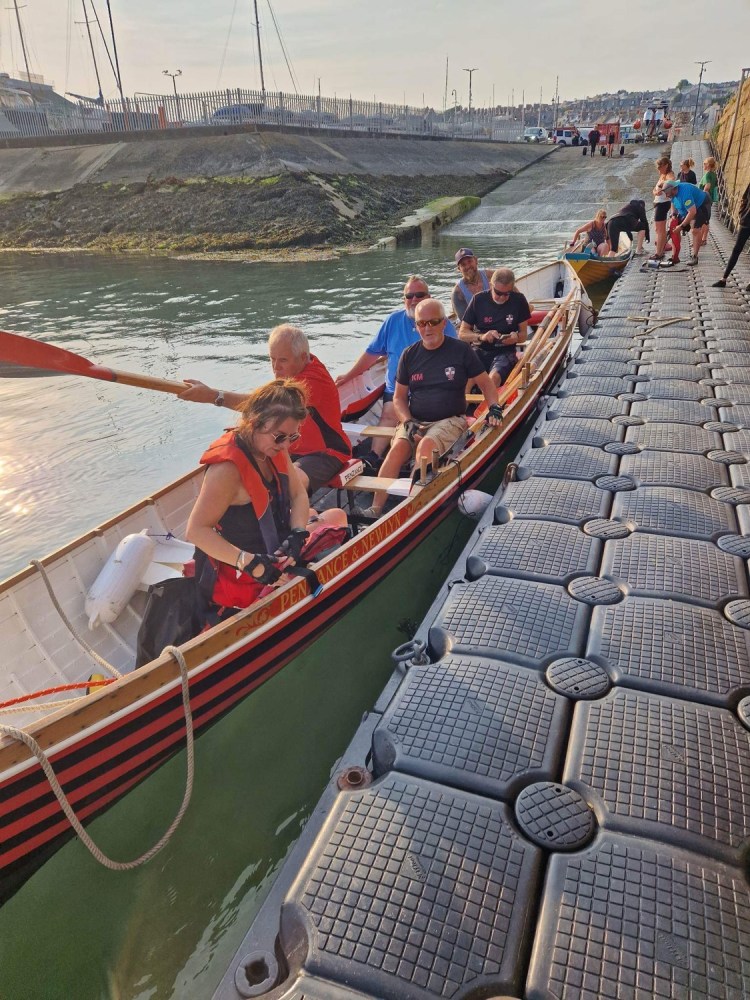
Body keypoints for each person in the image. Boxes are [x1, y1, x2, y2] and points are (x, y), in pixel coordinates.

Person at [186, 380, 346, 622]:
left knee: (337, 515)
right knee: (332, 523)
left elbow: (298, 495)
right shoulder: (227, 470)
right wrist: (249, 563)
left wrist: (298, 532)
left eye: (293, 436)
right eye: (280, 437)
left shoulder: (272, 448)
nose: (286, 445)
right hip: (248, 567)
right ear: (254, 422)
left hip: (277, 551)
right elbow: (196, 530)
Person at [357, 298, 502, 519]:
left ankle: (411, 510)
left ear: (444, 323)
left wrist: (494, 408)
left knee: (425, 447)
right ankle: (375, 509)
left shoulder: (461, 350)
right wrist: (407, 421)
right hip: (415, 420)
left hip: (450, 420)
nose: (427, 328)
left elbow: (486, 383)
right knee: (397, 449)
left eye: (433, 322)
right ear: (416, 327)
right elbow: (398, 398)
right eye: (422, 323)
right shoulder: (409, 355)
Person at [179, 325, 351, 493]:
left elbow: (263, 404)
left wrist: (213, 396)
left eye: (283, 360)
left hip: (326, 453)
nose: (276, 367)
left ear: (303, 357)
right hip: (288, 448)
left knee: (288, 486)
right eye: (272, 359)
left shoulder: (311, 382)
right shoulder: (295, 368)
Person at [335, 276, 457, 454]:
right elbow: (371, 354)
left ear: (429, 297)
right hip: (396, 389)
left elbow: (455, 359)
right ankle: (374, 456)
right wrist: (349, 375)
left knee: (426, 424)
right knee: (388, 415)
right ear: (404, 299)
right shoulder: (393, 321)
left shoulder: (441, 323)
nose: (414, 300)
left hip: (428, 389)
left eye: (419, 295)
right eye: (409, 296)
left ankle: (416, 450)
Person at [459, 267, 531, 387]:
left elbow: (523, 335)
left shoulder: (519, 300)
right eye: (498, 293)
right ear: (491, 285)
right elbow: (462, 333)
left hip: (505, 351)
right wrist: (481, 337)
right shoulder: (478, 299)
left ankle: (489, 398)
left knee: (493, 378)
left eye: (507, 294)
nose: (502, 297)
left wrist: (516, 337)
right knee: (468, 379)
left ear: (512, 289)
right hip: (480, 349)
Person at [661, 179, 711, 265]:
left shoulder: (685, 194)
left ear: (674, 189)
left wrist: (681, 226)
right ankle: (675, 256)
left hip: (701, 205)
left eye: (667, 193)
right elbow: (673, 203)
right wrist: (673, 214)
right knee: (673, 228)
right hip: (687, 208)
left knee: (695, 230)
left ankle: (695, 256)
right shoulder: (672, 194)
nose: (666, 195)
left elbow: (692, 212)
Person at [713, 182, 750, 290]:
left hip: (746, 220)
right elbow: (744, 198)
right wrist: (742, 213)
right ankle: (723, 279)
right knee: (736, 250)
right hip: (746, 221)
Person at [451, 248, 494, 322]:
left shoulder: (491, 276)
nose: (467, 266)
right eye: (463, 264)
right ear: (459, 269)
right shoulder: (458, 292)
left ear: (476, 260)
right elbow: (465, 321)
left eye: (469, 261)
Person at [651, 157, 675, 260]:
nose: (658, 169)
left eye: (660, 167)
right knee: (658, 229)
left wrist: (662, 186)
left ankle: (658, 253)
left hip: (663, 204)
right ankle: (661, 249)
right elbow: (654, 189)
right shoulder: (662, 175)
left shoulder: (669, 174)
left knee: (660, 230)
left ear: (666, 166)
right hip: (658, 203)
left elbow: (671, 181)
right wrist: (656, 192)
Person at [696, 156, 719, 252]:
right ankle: (704, 238)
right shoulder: (713, 174)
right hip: (709, 199)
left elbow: (707, 186)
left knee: (702, 220)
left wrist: (701, 195)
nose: (703, 165)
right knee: (706, 219)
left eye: (705, 163)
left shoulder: (708, 175)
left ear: (709, 165)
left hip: (704, 199)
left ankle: (701, 240)